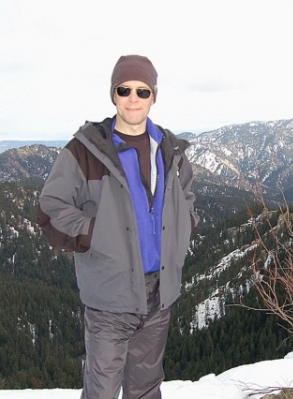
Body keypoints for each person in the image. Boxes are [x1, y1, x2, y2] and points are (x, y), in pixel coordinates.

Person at [37, 55, 199, 399]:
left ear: (153, 96)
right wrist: (97, 232)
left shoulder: (169, 150)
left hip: (160, 293)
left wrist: (184, 226)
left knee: (145, 388)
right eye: (124, 89)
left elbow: (186, 196)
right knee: (103, 391)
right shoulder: (86, 151)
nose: (133, 99)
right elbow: (51, 208)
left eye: (143, 91)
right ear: (114, 94)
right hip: (110, 295)